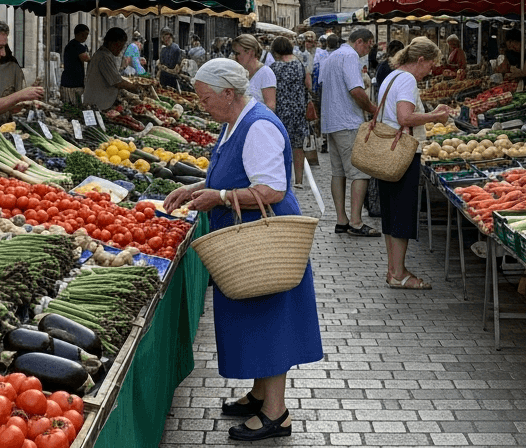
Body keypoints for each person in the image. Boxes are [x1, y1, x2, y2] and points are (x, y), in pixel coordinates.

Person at [161, 59, 323, 442]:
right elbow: (234, 172)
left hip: (266, 242)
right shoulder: (234, 121)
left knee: (270, 319)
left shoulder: (260, 126)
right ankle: (259, 394)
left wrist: (218, 196)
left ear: (228, 93)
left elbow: (271, 191)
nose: (202, 105)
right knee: (255, 316)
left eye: (205, 98)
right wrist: (198, 187)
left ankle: (275, 414)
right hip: (245, 238)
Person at [373, 37, 452, 289]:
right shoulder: (407, 80)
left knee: (391, 211)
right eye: (430, 65)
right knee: (402, 212)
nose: (431, 71)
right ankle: (399, 275)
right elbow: (404, 117)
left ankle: (394, 269)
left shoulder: (392, 76)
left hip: (387, 152)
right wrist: (435, 116)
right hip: (402, 154)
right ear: (420, 60)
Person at [320, 28, 380, 237]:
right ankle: (355, 222)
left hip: (331, 121)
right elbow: (356, 90)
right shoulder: (350, 56)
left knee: (338, 173)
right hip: (348, 121)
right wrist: (373, 110)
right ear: (360, 41)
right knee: (359, 173)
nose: (369, 50)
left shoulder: (332, 56)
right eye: (369, 45)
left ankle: (341, 220)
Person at [268, 36, 310, 186]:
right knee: (298, 147)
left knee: (280, 146)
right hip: (298, 110)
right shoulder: (300, 64)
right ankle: (299, 180)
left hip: (281, 111)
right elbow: (307, 85)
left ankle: (284, 178)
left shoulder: (275, 68)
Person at [83, 27, 143, 109]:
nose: (121, 49)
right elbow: (117, 82)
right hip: (97, 104)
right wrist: (135, 87)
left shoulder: (105, 55)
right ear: (112, 43)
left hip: (100, 102)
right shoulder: (103, 57)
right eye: (120, 46)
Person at [232, 34, 276, 111]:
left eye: (238, 53)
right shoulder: (240, 72)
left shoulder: (265, 73)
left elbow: (270, 107)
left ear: (250, 52)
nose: (235, 57)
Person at [60, 25, 92, 106]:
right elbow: (86, 59)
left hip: (71, 82)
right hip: (72, 84)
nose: (86, 37)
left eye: (87, 35)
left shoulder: (71, 45)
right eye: (85, 34)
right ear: (79, 34)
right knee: (73, 107)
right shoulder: (77, 46)